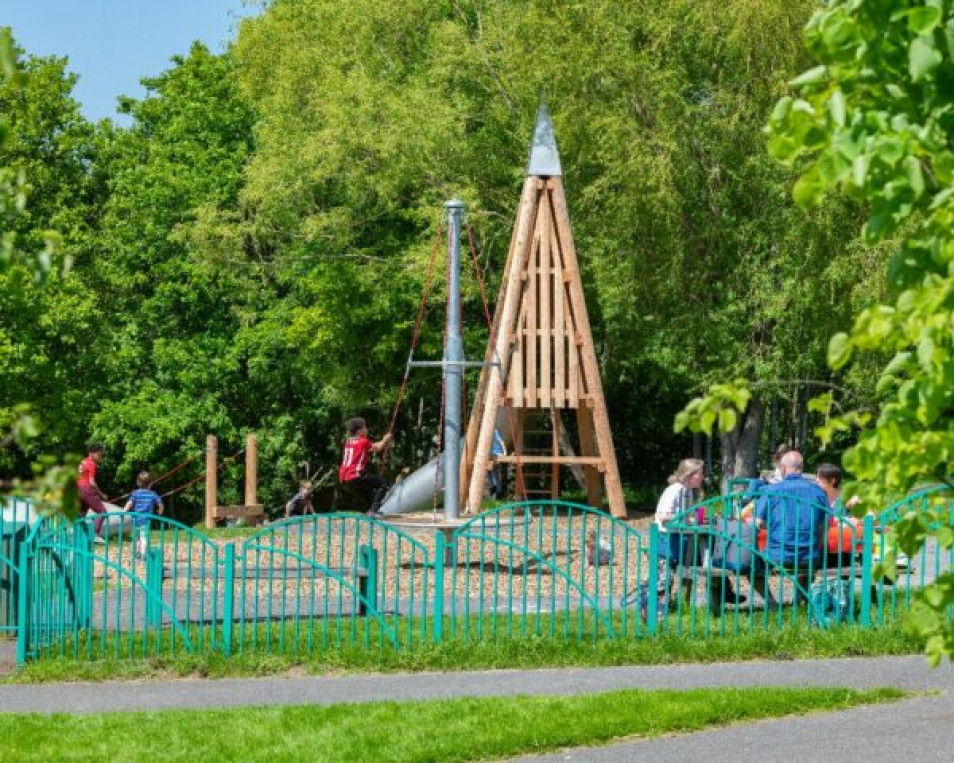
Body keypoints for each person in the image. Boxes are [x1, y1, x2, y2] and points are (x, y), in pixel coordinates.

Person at [753, 450, 829, 606]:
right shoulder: (817, 491)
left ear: (782, 467)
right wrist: (817, 546)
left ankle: (771, 603)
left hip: (775, 556)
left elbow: (757, 523)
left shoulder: (771, 490)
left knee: (749, 563)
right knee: (808, 562)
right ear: (801, 467)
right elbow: (826, 523)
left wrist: (773, 525)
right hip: (809, 556)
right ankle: (800, 598)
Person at [338, 417, 393, 517]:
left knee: (367, 491)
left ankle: (370, 510)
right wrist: (385, 440)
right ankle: (373, 511)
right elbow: (378, 448)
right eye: (365, 427)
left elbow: (371, 447)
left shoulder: (349, 441)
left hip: (345, 477)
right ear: (359, 431)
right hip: (356, 474)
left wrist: (382, 442)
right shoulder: (363, 441)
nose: (367, 430)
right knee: (383, 484)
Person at [123, 471, 164, 559]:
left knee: (136, 538)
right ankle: (143, 554)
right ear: (151, 484)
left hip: (136, 520)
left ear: (138, 483)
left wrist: (124, 512)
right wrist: (160, 511)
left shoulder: (135, 493)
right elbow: (160, 504)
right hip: (146, 521)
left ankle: (136, 554)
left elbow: (129, 503)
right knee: (144, 537)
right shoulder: (153, 494)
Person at [77, 443, 108, 539]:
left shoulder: (83, 462)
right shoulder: (92, 464)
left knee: (81, 515)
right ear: (92, 453)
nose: (101, 458)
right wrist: (102, 495)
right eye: (99, 455)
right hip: (85, 489)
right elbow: (92, 483)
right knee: (102, 511)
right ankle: (94, 534)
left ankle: (80, 537)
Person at [487, 429, 507, 500]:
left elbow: (501, 442)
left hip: (496, 454)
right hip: (490, 455)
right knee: (488, 470)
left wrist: (505, 453)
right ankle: (494, 487)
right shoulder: (486, 433)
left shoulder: (494, 432)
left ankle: (498, 489)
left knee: (493, 471)